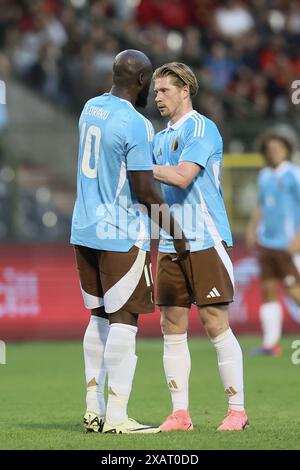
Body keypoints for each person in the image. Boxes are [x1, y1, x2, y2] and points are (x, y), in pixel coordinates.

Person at [71, 50, 187, 434]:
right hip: (119, 232)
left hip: (84, 228)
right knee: (125, 319)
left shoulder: (90, 107)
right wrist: (175, 231)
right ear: (140, 82)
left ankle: (93, 409)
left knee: (99, 316)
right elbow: (143, 190)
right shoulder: (136, 124)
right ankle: (118, 417)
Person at [152, 62, 249, 431]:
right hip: (170, 241)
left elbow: (181, 177)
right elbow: (152, 191)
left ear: (185, 90)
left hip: (206, 239)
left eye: (164, 90)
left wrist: (139, 166)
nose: (158, 97)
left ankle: (237, 411)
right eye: (156, 91)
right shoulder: (159, 139)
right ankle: (180, 413)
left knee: (214, 322)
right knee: (171, 322)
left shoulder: (202, 128)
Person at [246, 132, 300, 356]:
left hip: (288, 244)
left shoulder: (294, 174)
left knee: (294, 289)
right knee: (268, 289)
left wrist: (298, 238)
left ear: (287, 149)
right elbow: (261, 205)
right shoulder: (265, 175)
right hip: (267, 243)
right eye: (270, 148)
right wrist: (251, 228)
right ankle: (271, 344)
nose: (274, 151)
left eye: (278, 147)